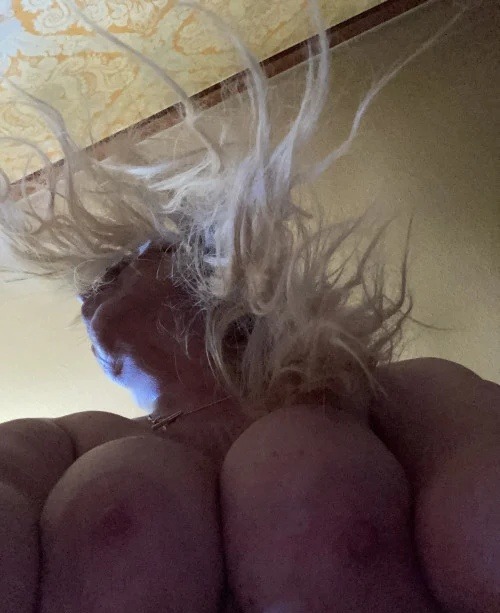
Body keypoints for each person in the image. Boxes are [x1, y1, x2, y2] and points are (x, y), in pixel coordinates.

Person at [0, 3, 497, 611]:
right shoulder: (72, 441)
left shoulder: (392, 397)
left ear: (217, 275)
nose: (89, 293)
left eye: (121, 263)